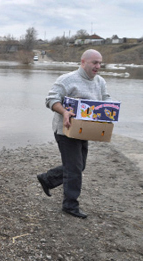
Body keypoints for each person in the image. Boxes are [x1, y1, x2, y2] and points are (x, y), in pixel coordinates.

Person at [36, 49, 112, 219]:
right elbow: (51, 100)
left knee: (79, 166)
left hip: (85, 130)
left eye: (100, 63)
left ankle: (48, 179)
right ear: (83, 62)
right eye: (94, 62)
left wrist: (109, 110)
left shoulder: (100, 81)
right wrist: (64, 112)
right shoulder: (67, 80)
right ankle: (70, 205)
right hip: (66, 130)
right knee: (75, 169)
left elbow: (106, 99)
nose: (98, 66)